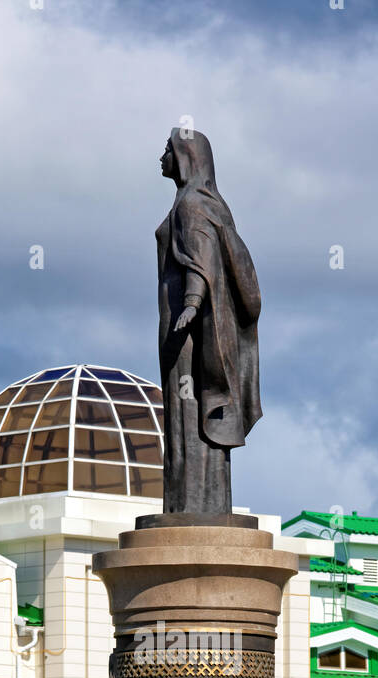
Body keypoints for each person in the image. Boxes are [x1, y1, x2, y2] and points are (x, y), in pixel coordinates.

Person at [157, 127, 261, 514]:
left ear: (185, 157)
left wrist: (190, 303)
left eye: (167, 149)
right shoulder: (207, 202)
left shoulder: (190, 205)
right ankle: (206, 505)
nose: (161, 157)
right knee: (193, 412)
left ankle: (188, 507)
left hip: (185, 332)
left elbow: (200, 259)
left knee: (187, 414)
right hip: (190, 326)